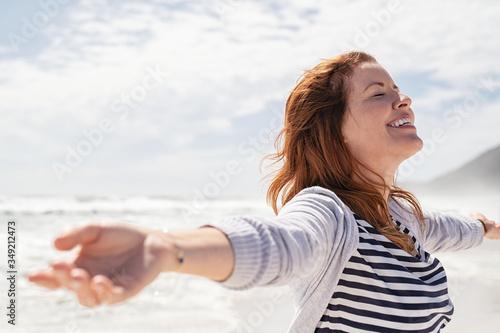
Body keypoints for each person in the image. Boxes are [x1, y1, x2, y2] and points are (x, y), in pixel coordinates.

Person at [28, 51, 500, 332]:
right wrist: (170, 248)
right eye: (377, 92)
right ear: (333, 132)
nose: (403, 98)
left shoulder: (400, 215)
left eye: (398, 88)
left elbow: (454, 228)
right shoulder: (328, 213)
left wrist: (487, 226)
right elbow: (280, 246)